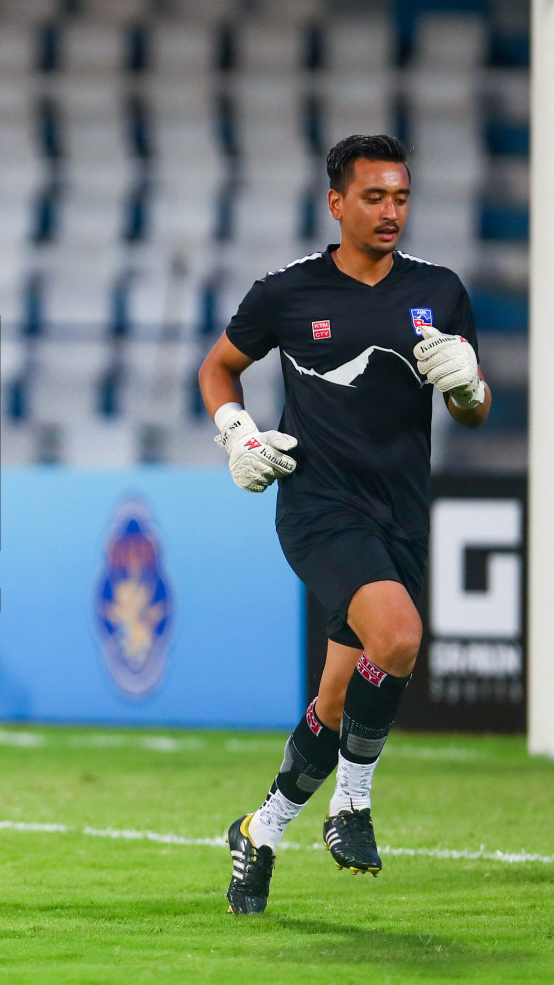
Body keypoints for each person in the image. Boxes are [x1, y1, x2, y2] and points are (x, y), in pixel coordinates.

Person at [197, 135, 490, 914]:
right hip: (320, 508)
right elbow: (217, 366)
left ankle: (258, 832)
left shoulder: (440, 289)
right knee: (396, 639)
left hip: (402, 512)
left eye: (400, 197)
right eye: (374, 197)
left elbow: (474, 404)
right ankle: (351, 804)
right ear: (337, 204)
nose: (391, 210)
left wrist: (466, 386)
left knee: (334, 702)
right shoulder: (287, 292)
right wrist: (238, 431)